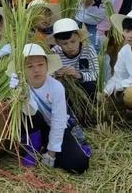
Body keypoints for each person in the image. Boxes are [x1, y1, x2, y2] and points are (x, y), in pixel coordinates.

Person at [8, 44, 90, 174]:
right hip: (32, 128)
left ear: (47, 66)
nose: (36, 70)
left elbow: (59, 121)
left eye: (40, 65)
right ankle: (32, 151)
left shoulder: (56, 87)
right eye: (30, 66)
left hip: (54, 128)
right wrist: (17, 94)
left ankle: (44, 148)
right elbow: (26, 114)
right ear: (21, 69)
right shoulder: (18, 85)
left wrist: (52, 153)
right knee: (29, 112)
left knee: (79, 164)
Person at [51, 19, 99, 98]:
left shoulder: (88, 50)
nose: (70, 46)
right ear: (57, 42)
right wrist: (56, 75)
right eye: (64, 43)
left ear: (79, 38)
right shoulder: (54, 53)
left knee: (91, 86)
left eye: (73, 41)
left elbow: (96, 74)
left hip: (83, 87)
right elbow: (48, 76)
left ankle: (89, 109)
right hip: (64, 88)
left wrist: (78, 75)